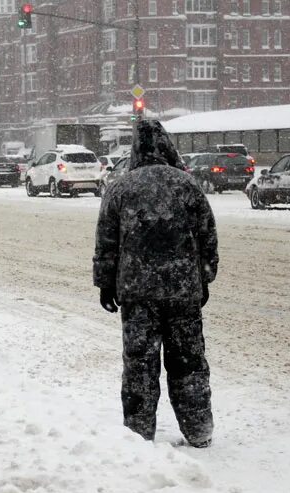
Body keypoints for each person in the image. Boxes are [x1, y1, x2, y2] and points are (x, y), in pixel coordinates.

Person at [93, 120, 219, 448]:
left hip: (137, 293)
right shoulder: (186, 186)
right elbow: (207, 236)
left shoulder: (121, 188)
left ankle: (138, 432)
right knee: (188, 360)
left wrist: (105, 284)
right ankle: (198, 428)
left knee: (140, 363)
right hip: (183, 290)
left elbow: (107, 242)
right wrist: (204, 277)